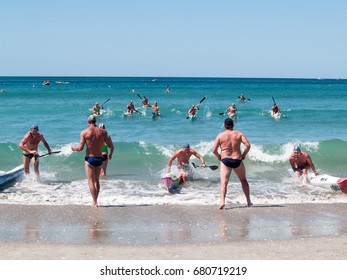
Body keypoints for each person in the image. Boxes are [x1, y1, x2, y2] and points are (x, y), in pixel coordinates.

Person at [71, 115, 114, 207]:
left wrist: (74, 148)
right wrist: (110, 154)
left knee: (90, 181)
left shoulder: (84, 132)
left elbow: (80, 148)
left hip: (89, 159)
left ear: (88, 122)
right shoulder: (103, 132)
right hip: (99, 159)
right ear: (95, 122)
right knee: (97, 181)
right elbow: (110, 145)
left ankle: (94, 202)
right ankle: (96, 201)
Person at [212, 118, 252, 209]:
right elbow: (248, 145)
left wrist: (219, 156)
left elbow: (214, 150)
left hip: (226, 160)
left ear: (224, 125)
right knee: (243, 180)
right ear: (233, 125)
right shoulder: (239, 134)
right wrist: (244, 155)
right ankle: (248, 201)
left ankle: (222, 202)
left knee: (224, 182)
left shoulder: (220, 135)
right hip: (237, 160)